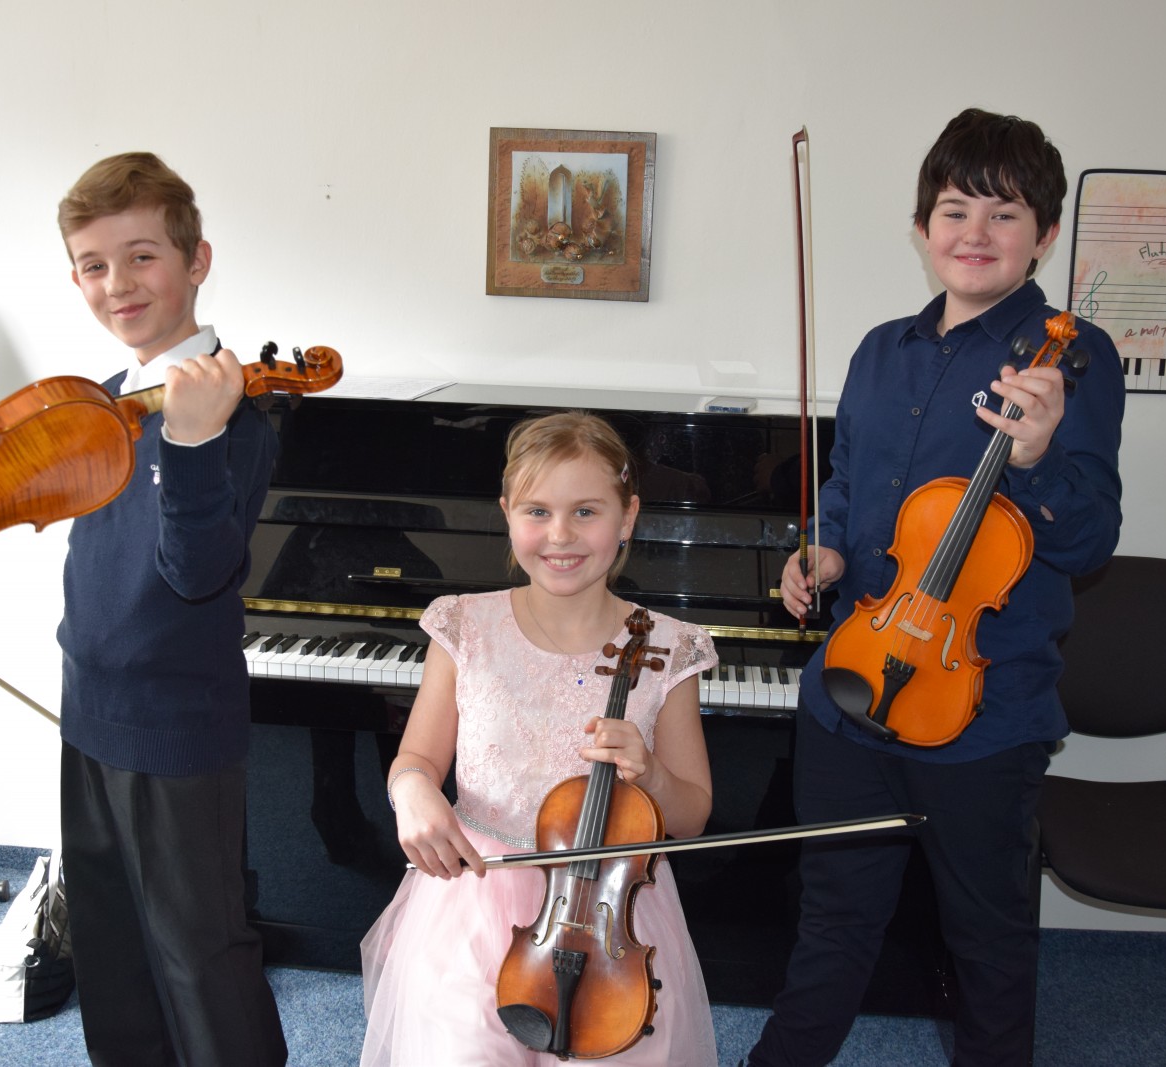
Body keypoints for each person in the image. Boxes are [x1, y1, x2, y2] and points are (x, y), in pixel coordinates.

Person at [746, 108, 1125, 1067]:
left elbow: (1090, 540)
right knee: (832, 918)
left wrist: (1035, 459)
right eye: (955, 210)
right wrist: (823, 552)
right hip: (851, 688)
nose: (975, 232)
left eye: (1006, 213)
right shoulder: (881, 350)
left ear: (1044, 235)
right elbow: (846, 488)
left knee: (985, 941)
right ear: (922, 228)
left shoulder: (1070, 357)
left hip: (982, 707)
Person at [360, 411, 719, 1066]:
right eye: (537, 511)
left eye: (586, 511)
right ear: (507, 514)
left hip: (613, 911)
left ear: (628, 517)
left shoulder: (670, 646)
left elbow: (693, 814)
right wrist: (411, 792)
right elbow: (415, 759)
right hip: (476, 900)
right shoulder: (465, 625)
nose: (560, 535)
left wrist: (652, 776)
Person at [54, 151, 286, 1067]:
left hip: (176, 721)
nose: (118, 283)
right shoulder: (109, 402)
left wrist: (191, 444)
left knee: (200, 958)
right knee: (110, 947)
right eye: (94, 264)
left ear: (197, 261)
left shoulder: (233, 412)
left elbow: (197, 572)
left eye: (142, 256)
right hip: (90, 708)